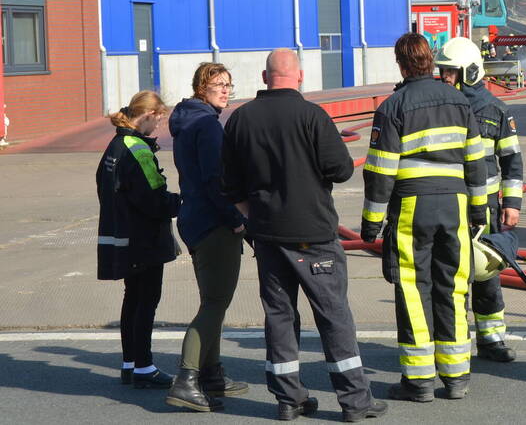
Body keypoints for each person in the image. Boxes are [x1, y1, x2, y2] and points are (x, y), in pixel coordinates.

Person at [222, 49, 386, 422]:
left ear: (265, 78)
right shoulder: (313, 116)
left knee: (279, 316)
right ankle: (355, 402)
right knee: (333, 316)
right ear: (299, 76)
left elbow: (229, 186)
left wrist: (256, 218)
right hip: (314, 235)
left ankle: (288, 399)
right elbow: (340, 170)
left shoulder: (240, 120)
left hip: (267, 237)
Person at [361, 33, 488, 402]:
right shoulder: (460, 101)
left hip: (412, 207)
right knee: (454, 285)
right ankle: (456, 376)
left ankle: (418, 382)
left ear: (400, 63)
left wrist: (371, 222)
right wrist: (478, 209)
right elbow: (475, 162)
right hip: (456, 205)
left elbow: (380, 171)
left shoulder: (393, 106)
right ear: (430, 62)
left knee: (415, 289)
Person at [434, 37, 524, 362]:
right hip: (449, 206)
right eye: (442, 72)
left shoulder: (495, 110)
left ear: (469, 72)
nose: (445, 78)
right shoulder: (440, 108)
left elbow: (512, 161)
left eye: (450, 72)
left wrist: (512, 204)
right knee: (449, 276)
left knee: (486, 276)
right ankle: (454, 342)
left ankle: (492, 340)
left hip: (486, 209)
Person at [166, 62, 248, 412]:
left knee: (213, 299)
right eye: (218, 84)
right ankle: (186, 380)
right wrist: (237, 220)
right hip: (214, 223)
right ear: (202, 86)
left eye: (229, 84)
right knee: (215, 302)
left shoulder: (187, 121)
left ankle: (211, 372)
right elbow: (217, 182)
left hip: (193, 219)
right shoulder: (208, 126)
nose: (226, 90)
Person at [97, 90, 181, 389]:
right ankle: (145, 367)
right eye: (157, 121)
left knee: (132, 298)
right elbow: (154, 199)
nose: (158, 128)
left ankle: (130, 362)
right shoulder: (139, 150)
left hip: (123, 235)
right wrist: (180, 203)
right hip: (144, 239)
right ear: (147, 116)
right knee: (146, 300)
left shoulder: (116, 145)